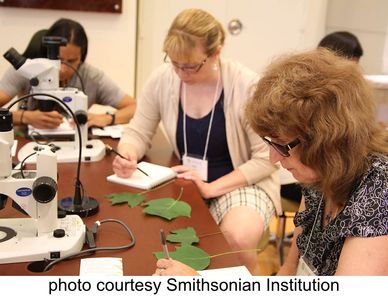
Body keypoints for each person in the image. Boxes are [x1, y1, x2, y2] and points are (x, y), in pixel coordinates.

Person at [154, 48, 388, 276]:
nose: (274, 158)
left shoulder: (378, 195)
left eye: (281, 146)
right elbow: (289, 273)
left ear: (324, 142)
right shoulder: (319, 177)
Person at [113, 8, 280, 273]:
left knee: (237, 238)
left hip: (243, 183)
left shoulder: (246, 86)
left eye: (190, 66)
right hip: (190, 182)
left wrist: (212, 188)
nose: (181, 73)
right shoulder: (163, 79)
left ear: (216, 53)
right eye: (175, 63)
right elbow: (138, 132)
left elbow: (267, 159)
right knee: (149, 233)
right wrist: (128, 154)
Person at [0, 18, 136, 129]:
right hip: (28, 142)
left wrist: (106, 118)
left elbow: (134, 107)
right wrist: (25, 117)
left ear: (82, 57)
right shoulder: (28, 70)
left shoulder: (92, 77)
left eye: (71, 61)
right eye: (58, 59)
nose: (63, 69)